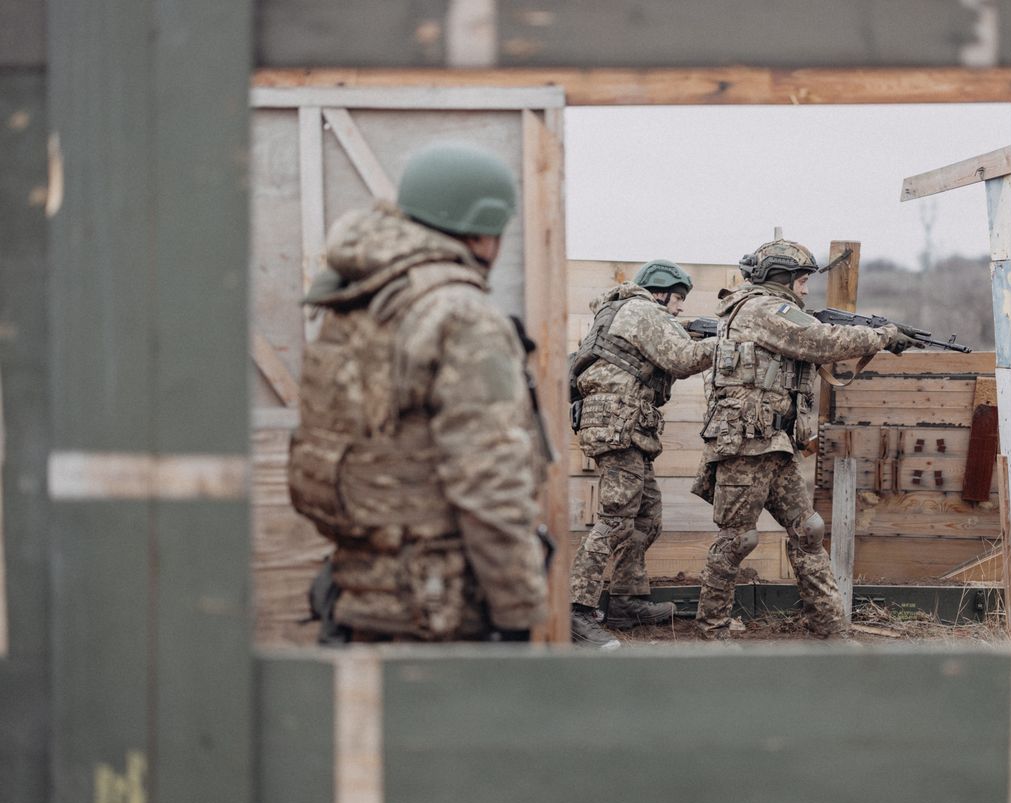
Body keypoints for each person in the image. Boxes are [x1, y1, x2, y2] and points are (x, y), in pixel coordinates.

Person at [288, 143, 549, 643]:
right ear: (483, 228)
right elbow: (489, 480)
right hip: (439, 606)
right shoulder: (460, 313)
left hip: (356, 590)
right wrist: (517, 610)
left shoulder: (358, 295)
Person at [692, 239, 920, 639]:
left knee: (808, 531)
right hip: (745, 444)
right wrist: (881, 337)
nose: (806, 289)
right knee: (736, 540)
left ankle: (831, 630)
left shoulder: (765, 310)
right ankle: (711, 635)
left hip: (774, 444)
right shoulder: (763, 308)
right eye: (801, 280)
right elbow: (821, 341)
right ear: (781, 279)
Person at [568, 260, 717, 648]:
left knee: (647, 516)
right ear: (659, 292)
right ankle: (575, 612)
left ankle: (626, 601)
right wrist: (728, 342)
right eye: (678, 299)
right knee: (616, 519)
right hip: (619, 427)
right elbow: (683, 360)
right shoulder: (642, 310)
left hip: (626, 427)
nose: (681, 308)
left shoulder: (621, 311)